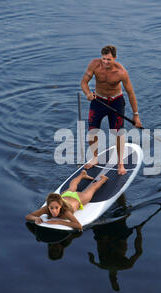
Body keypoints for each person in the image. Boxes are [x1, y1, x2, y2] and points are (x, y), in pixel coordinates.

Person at [81, 45, 142, 175]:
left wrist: (136, 115)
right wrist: (87, 94)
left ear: (114, 58)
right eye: (103, 59)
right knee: (92, 131)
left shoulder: (121, 72)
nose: (105, 62)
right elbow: (84, 82)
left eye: (108, 59)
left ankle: (120, 163)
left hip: (116, 102)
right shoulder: (94, 65)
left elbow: (131, 94)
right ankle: (95, 157)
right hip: (98, 101)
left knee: (118, 133)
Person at [25, 170, 108, 230]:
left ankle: (103, 179)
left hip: (78, 198)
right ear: (48, 206)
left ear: (60, 206)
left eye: (56, 208)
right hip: (65, 195)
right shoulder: (46, 209)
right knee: (72, 186)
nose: (54, 211)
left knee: (92, 188)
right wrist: (35, 219)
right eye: (51, 208)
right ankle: (82, 174)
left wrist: (59, 222)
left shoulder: (65, 212)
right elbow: (28, 216)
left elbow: (78, 226)